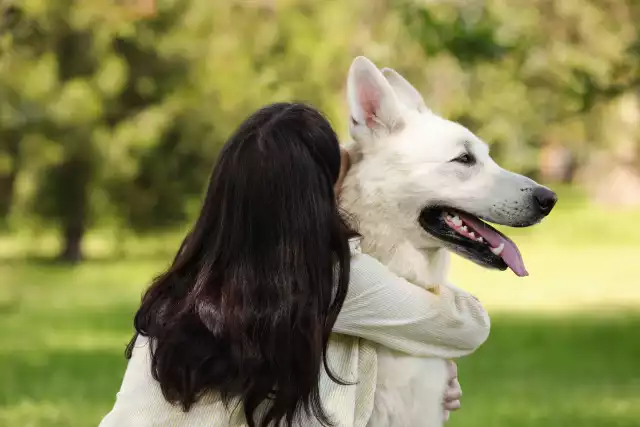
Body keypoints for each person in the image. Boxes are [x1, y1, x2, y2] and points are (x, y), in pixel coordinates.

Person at [99, 102, 490, 427]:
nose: (350, 161)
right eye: (343, 161)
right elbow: (467, 325)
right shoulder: (335, 279)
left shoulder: (186, 283)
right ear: (315, 193)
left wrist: (411, 372)